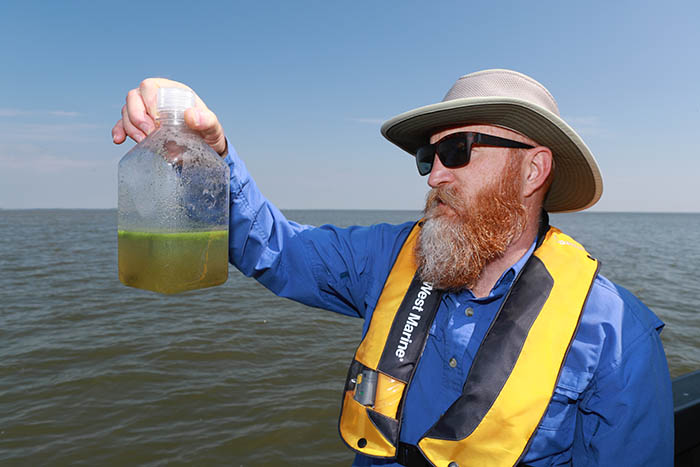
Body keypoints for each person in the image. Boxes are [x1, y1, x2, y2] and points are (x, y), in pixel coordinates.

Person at [113, 69, 674, 466]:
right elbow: (278, 250)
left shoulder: (618, 338)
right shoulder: (390, 256)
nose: (434, 176)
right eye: (429, 158)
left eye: (458, 151)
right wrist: (207, 153)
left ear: (532, 171)